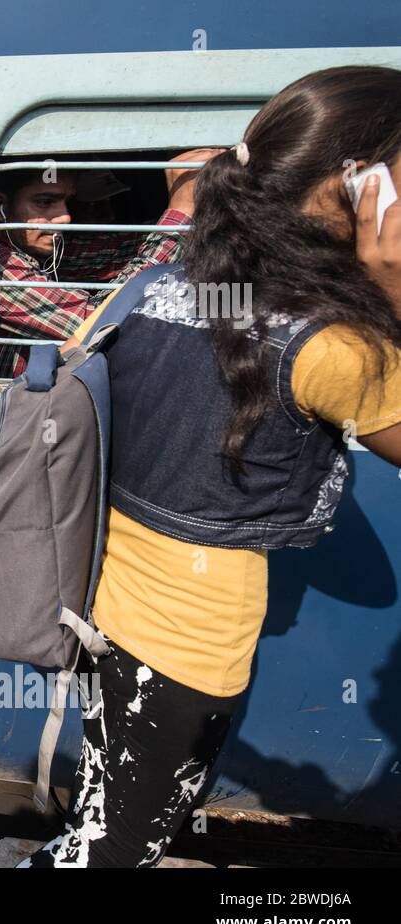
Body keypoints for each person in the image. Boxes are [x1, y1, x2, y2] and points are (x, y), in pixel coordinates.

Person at [22, 66, 401, 868]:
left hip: (99, 606)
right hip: (190, 644)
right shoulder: (336, 346)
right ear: (360, 188)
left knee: (102, 820)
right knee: (120, 849)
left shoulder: (155, 286)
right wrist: (391, 286)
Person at [0, 149, 220, 378]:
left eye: (67, 203)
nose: (65, 217)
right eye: (45, 202)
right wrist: (180, 214)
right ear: (0, 207)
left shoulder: (36, 247)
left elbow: (115, 251)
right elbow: (98, 324)